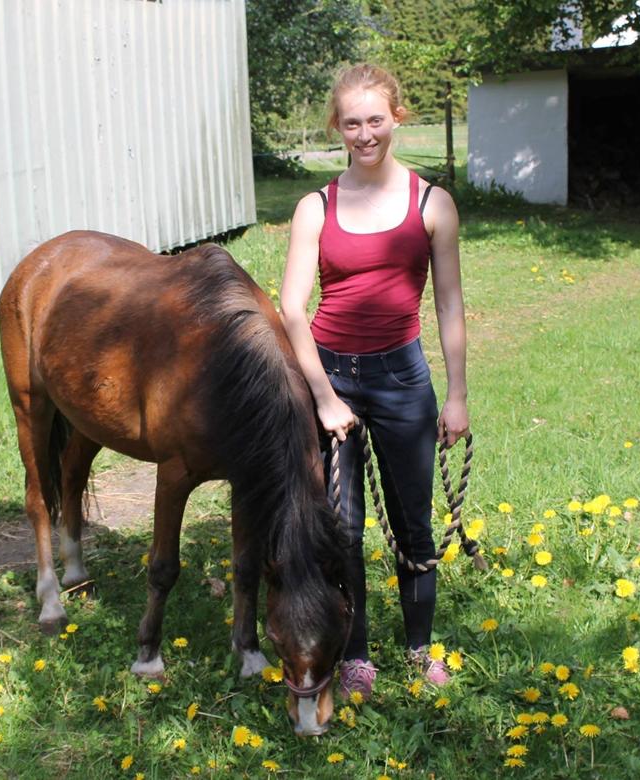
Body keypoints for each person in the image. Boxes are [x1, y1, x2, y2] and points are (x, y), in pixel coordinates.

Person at [279, 63, 469, 700]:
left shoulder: (431, 203)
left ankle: (419, 648)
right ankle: (356, 656)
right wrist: (325, 399)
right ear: (338, 125)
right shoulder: (316, 206)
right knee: (344, 528)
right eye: (352, 122)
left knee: (415, 523)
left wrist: (458, 396)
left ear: (397, 119)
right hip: (331, 377)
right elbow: (291, 309)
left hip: (402, 379)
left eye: (376, 120)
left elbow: (449, 305)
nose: (365, 134)